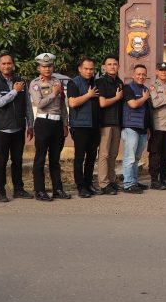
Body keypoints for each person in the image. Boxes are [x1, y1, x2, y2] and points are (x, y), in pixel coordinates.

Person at [0, 53, 34, 202]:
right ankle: (0, 191)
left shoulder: (21, 82)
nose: (7, 66)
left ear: (13, 65)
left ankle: (18, 189)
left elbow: (27, 105)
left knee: (18, 160)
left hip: (18, 127)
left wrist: (30, 125)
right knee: (1, 160)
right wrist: (15, 91)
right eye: (3, 64)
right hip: (2, 128)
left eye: (9, 63)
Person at [29, 53, 70, 201]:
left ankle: (58, 189)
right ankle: (39, 191)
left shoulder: (57, 81)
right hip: (43, 123)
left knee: (55, 159)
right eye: (44, 66)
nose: (47, 69)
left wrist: (65, 123)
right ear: (39, 68)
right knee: (40, 158)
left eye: (50, 66)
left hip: (57, 123)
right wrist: (53, 94)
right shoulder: (35, 84)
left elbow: (62, 105)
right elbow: (39, 103)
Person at [67, 57, 101, 198]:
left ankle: (88, 184)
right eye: (86, 69)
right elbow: (73, 103)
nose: (89, 71)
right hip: (80, 126)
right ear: (80, 69)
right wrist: (88, 95)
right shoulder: (73, 83)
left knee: (92, 157)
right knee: (80, 157)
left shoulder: (94, 82)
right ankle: (80, 186)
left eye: (91, 69)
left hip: (94, 126)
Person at [121, 64, 152, 194]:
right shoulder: (128, 87)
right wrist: (144, 98)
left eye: (143, 74)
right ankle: (128, 184)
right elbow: (132, 104)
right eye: (138, 74)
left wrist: (148, 128)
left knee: (137, 158)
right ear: (133, 75)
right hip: (131, 128)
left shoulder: (145, 89)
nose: (141, 76)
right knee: (130, 157)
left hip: (143, 129)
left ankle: (134, 181)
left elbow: (147, 111)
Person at [96, 55, 124, 195]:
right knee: (104, 154)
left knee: (113, 154)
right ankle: (103, 183)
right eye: (109, 64)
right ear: (104, 67)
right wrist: (116, 98)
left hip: (117, 123)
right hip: (105, 123)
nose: (112, 66)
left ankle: (112, 181)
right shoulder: (101, 82)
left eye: (115, 64)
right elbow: (102, 103)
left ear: (118, 66)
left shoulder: (119, 82)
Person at [148, 62, 166, 190]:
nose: (164, 72)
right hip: (158, 125)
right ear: (156, 72)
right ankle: (154, 180)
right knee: (155, 154)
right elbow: (154, 103)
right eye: (161, 70)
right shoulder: (153, 87)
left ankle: (163, 178)